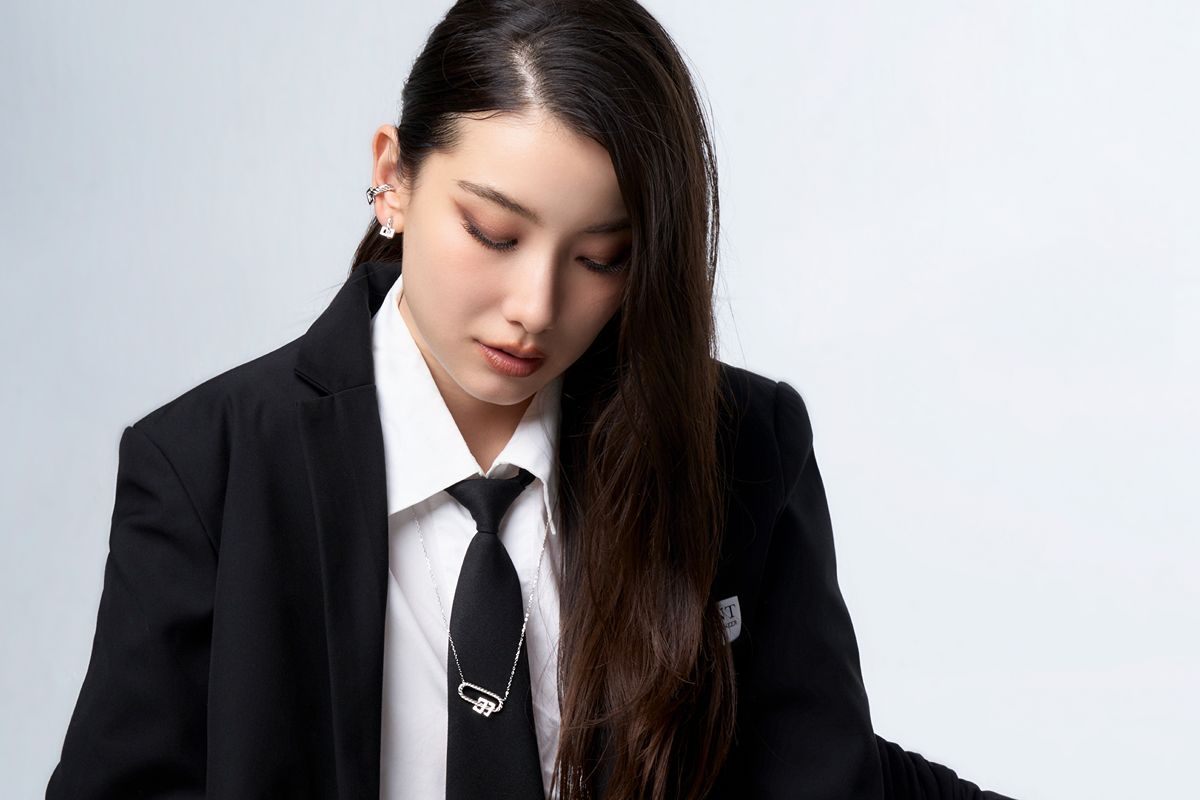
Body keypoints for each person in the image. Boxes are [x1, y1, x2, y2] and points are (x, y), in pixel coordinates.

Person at [45, 1, 1019, 798]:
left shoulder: (739, 447)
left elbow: (824, 770)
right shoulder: (206, 467)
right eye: (493, 233)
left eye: (602, 258)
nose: (536, 308)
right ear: (392, 179)